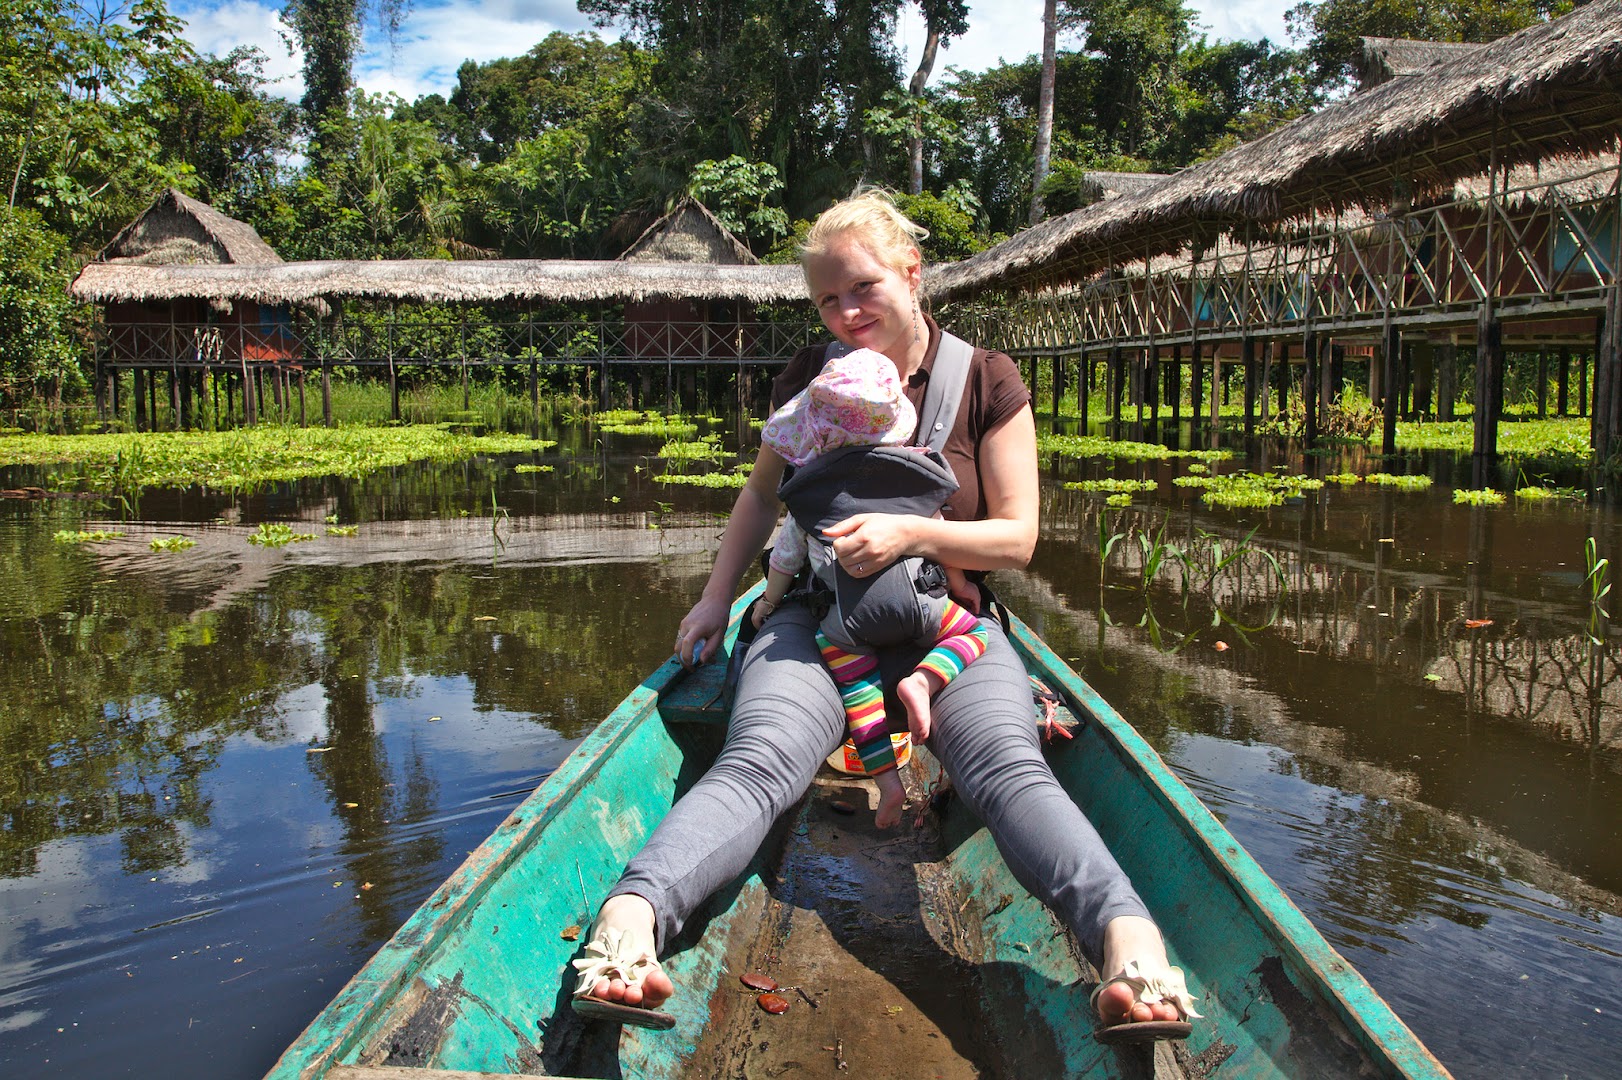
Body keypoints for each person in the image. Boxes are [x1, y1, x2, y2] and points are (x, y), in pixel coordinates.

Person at [571, 190, 1200, 1040]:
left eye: (862, 288)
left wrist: (913, 530)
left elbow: (1016, 540)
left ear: (913, 274)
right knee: (760, 762)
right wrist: (717, 599)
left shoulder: (986, 379)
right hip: (816, 624)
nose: (846, 312)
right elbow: (761, 497)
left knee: (1009, 771)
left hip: (948, 625)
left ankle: (1129, 944)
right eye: (828, 299)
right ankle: (630, 927)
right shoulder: (810, 380)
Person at [752, 345, 989, 829]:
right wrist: (962, 586)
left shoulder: (811, 495)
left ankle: (887, 786)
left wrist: (769, 601)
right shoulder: (911, 477)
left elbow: (786, 557)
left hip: (845, 625)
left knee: (858, 691)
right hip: (922, 607)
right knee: (977, 634)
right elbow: (941, 540)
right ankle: (922, 681)